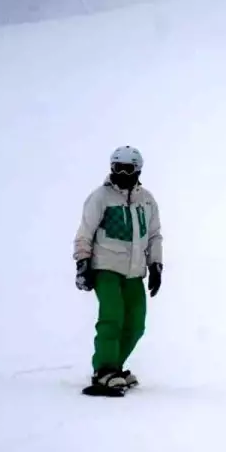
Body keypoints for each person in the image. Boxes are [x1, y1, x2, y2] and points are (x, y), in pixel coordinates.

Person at [73, 145, 163, 392]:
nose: (122, 174)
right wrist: (83, 263)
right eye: (117, 168)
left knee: (136, 323)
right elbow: (84, 233)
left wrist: (156, 264)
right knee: (112, 316)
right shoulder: (100, 197)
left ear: (138, 170)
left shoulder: (146, 200)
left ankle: (115, 368)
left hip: (135, 272)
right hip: (106, 268)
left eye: (128, 169)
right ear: (111, 168)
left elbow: (154, 235)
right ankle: (104, 369)